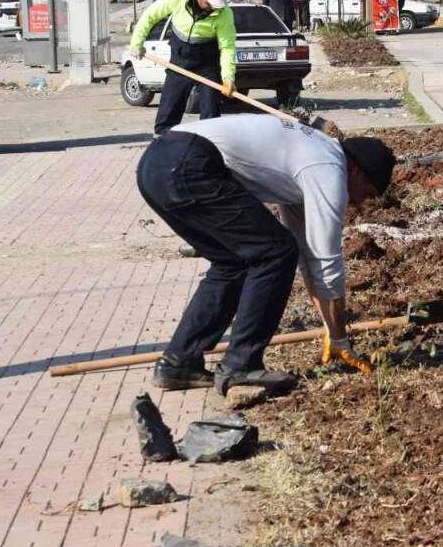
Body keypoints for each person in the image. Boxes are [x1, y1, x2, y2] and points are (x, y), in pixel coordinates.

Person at [138, 115, 397, 394]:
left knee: (233, 262)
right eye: (366, 193)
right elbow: (326, 262)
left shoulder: (311, 160)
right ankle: (241, 366)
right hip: (189, 164)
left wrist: (331, 331)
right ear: (357, 172)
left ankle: (179, 364)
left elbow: (310, 259)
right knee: (274, 253)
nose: (360, 203)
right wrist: (342, 339)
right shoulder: (329, 169)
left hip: (157, 163)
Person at [130, 0, 237, 135]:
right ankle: (162, 140)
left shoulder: (224, 13)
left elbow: (227, 47)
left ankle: (210, 143)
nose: (213, 7)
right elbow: (150, 16)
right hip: (179, 61)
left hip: (207, 63)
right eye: (209, 3)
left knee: (211, 108)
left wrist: (228, 78)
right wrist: (137, 42)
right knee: (170, 106)